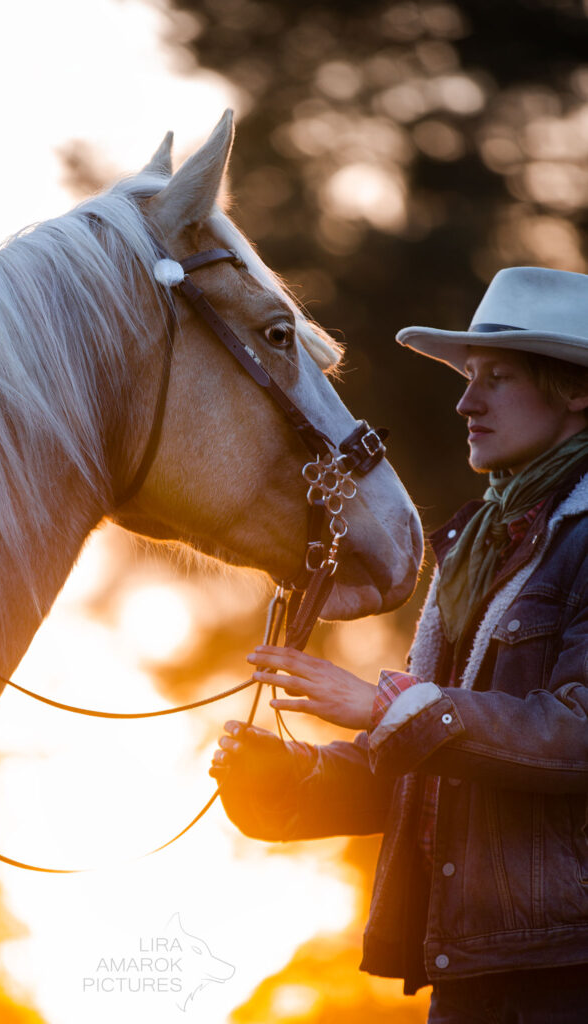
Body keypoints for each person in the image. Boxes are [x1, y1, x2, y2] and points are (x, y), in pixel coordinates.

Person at [209, 266, 588, 1023]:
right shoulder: (484, 541)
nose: (464, 402)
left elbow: (575, 736)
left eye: (497, 378)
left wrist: (385, 707)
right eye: (467, 377)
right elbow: (442, 773)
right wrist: (294, 779)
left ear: (576, 391)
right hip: (479, 965)